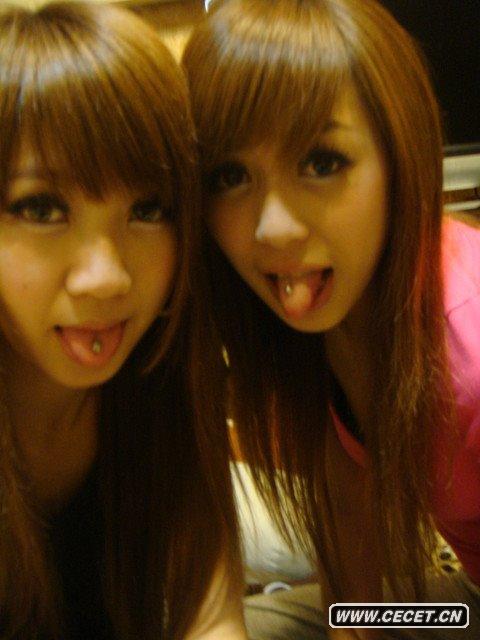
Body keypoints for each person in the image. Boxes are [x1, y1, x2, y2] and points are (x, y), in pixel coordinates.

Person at [182, 0, 480, 637]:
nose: (273, 229)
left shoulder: (470, 347)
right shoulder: (324, 321)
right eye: (230, 175)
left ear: (399, 156)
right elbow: (346, 516)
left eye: (322, 163)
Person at [0, 2, 246, 639]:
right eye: (41, 208)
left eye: (148, 210)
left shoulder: (163, 381)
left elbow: (212, 615)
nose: (107, 277)